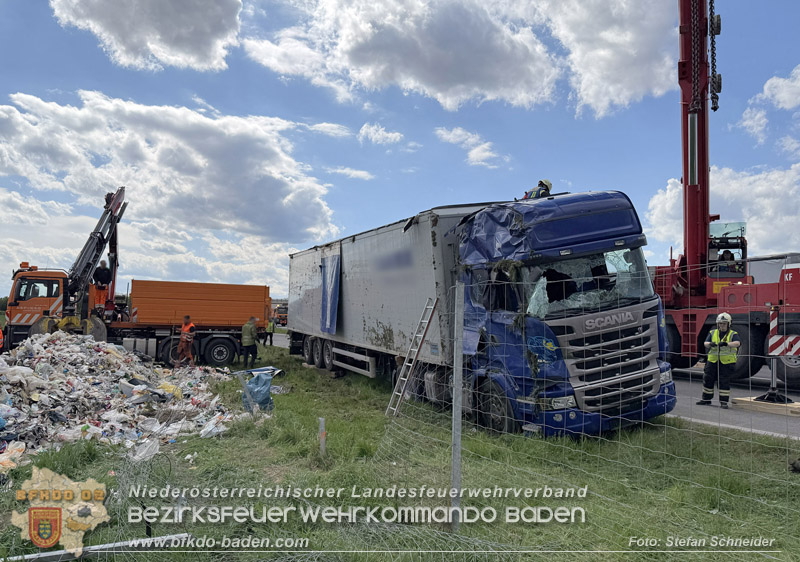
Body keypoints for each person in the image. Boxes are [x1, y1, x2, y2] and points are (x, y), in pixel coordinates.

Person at [697, 312, 740, 409]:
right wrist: (710, 344)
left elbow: (737, 343)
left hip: (726, 362)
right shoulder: (713, 332)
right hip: (712, 361)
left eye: (724, 323)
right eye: (720, 323)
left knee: (724, 381)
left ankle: (724, 402)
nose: (722, 325)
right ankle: (706, 399)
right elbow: (705, 343)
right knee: (708, 379)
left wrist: (727, 344)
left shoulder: (733, 334)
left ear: (728, 324)